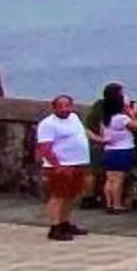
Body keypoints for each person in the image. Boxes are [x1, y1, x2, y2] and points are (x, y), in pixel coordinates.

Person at [34, 94, 93, 240]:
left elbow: (82, 132)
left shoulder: (74, 118)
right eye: (60, 106)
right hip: (60, 165)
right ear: (53, 108)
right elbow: (44, 147)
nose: (64, 109)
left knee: (71, 196)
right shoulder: (48, 124)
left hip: (78, 163)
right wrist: (57, 166)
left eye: (67, 106)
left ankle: (64, 222)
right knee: (58, 196)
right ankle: (55, 227)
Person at [96, 85, 137, 212]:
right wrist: (132, 114)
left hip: (109, 150)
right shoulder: (121, 118)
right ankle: (117, 205)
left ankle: (109, 204)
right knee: (118, 180)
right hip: (122, 151)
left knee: (110, 179)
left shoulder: (105, 118)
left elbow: (103, 133)